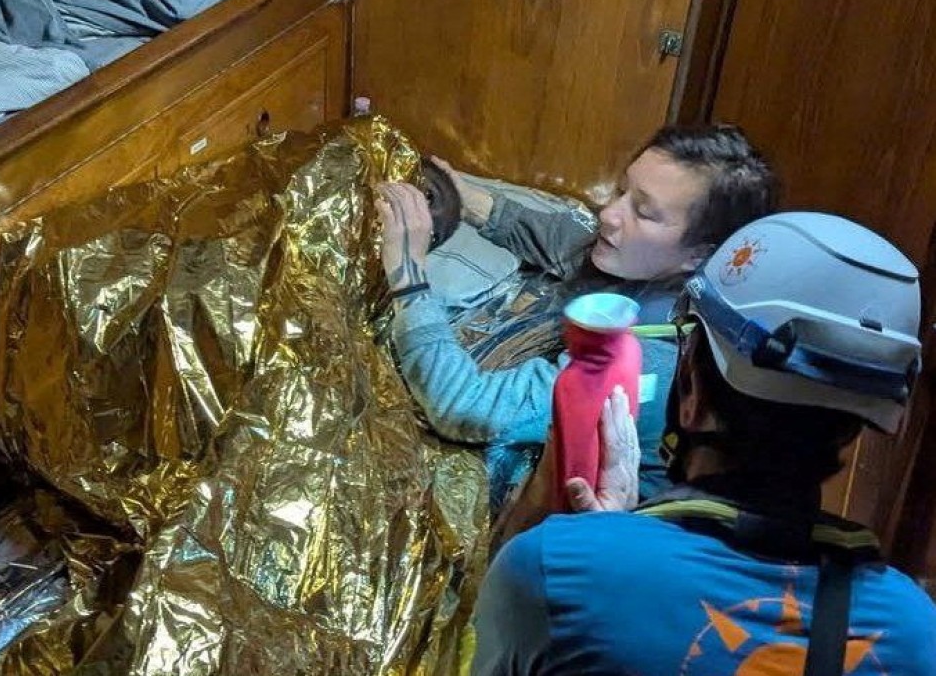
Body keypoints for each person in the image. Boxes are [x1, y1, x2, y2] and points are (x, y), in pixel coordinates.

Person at [470, 212, 936, 675]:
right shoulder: (915, 631)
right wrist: (620, 535)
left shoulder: (555, 570)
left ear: (690, 389)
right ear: (857, 423)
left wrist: (597, 540)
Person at [376, 125, 777, 503]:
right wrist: (469, 202)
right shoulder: (675, 271)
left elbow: (462, 405)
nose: (608, 214)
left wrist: (409, 277)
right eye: (622, 191)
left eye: (643, 211)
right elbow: (573, 244)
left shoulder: (639, 359)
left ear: (700, 254)